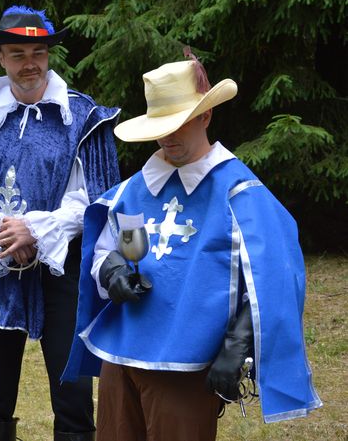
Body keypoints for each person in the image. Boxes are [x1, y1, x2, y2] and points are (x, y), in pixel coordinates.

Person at [62, 51, 322, 441]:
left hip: (187, 364)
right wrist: (111, 270)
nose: (168, 137)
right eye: (160, 127)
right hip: (122, 354)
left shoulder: (239, 193)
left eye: (179, 123)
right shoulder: (134, 190)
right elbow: (106, 249)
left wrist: (239, 344)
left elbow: (275, 278)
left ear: (206, 116)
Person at [0, 6, 121, 441]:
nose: (30, 63)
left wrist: (37, 229)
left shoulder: (81, 118)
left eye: (38, 53)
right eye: (18, 54)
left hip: (62, 267)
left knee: (72, 392)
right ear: (1, 57)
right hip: (0, 267)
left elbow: (93, 197)